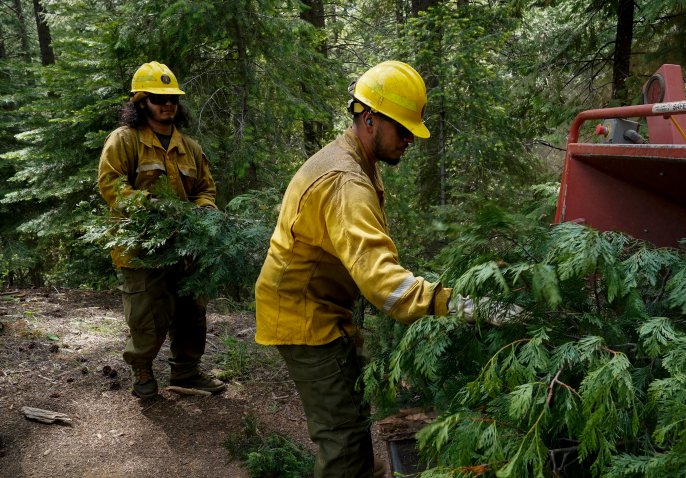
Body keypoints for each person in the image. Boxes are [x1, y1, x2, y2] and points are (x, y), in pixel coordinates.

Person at [254, 60, 454, 477]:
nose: (408, 141)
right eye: (403, 130)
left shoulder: (355, 160)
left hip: (321, 307)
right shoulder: (345, 181)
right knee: (343, 438)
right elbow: (385, 287)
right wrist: (457, 304)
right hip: (304, 315)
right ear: (369, 119)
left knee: (351, 415)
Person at [97, 61, 226, 399]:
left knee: (191, 313)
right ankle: (142, 372)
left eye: (172, 98)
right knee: (147, 318)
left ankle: (186, 372)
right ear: (141, 102)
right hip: (140, 249)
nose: (167, 104)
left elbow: (205, 189)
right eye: (157, 97)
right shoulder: (124, 140)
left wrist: (202, 214)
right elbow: (111, 185)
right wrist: (152, 210)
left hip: (185, 247)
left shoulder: (190, 147)